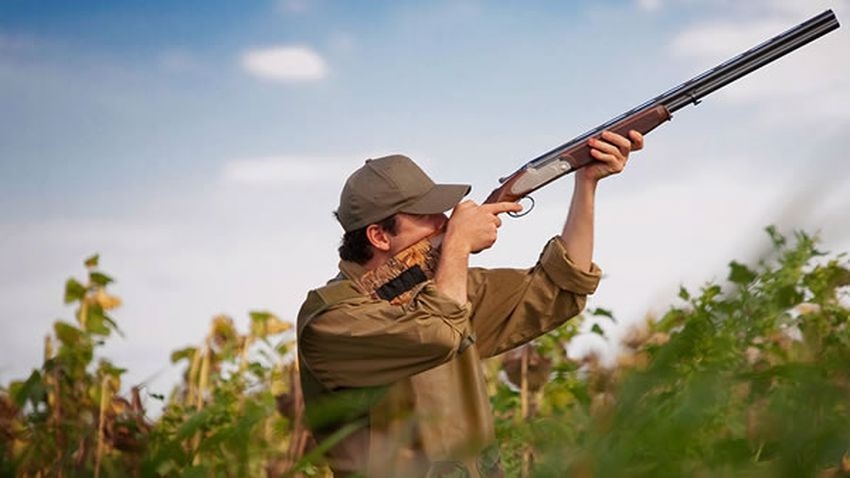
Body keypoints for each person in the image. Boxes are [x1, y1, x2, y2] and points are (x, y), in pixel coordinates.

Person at [296, 130, 644, 477]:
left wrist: (587, 183)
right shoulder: (330, 320)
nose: (445, 222)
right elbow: (438, 332)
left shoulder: (442, 288)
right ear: (379, 236)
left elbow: (559, 288)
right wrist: (458, 246)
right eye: (426, 215)